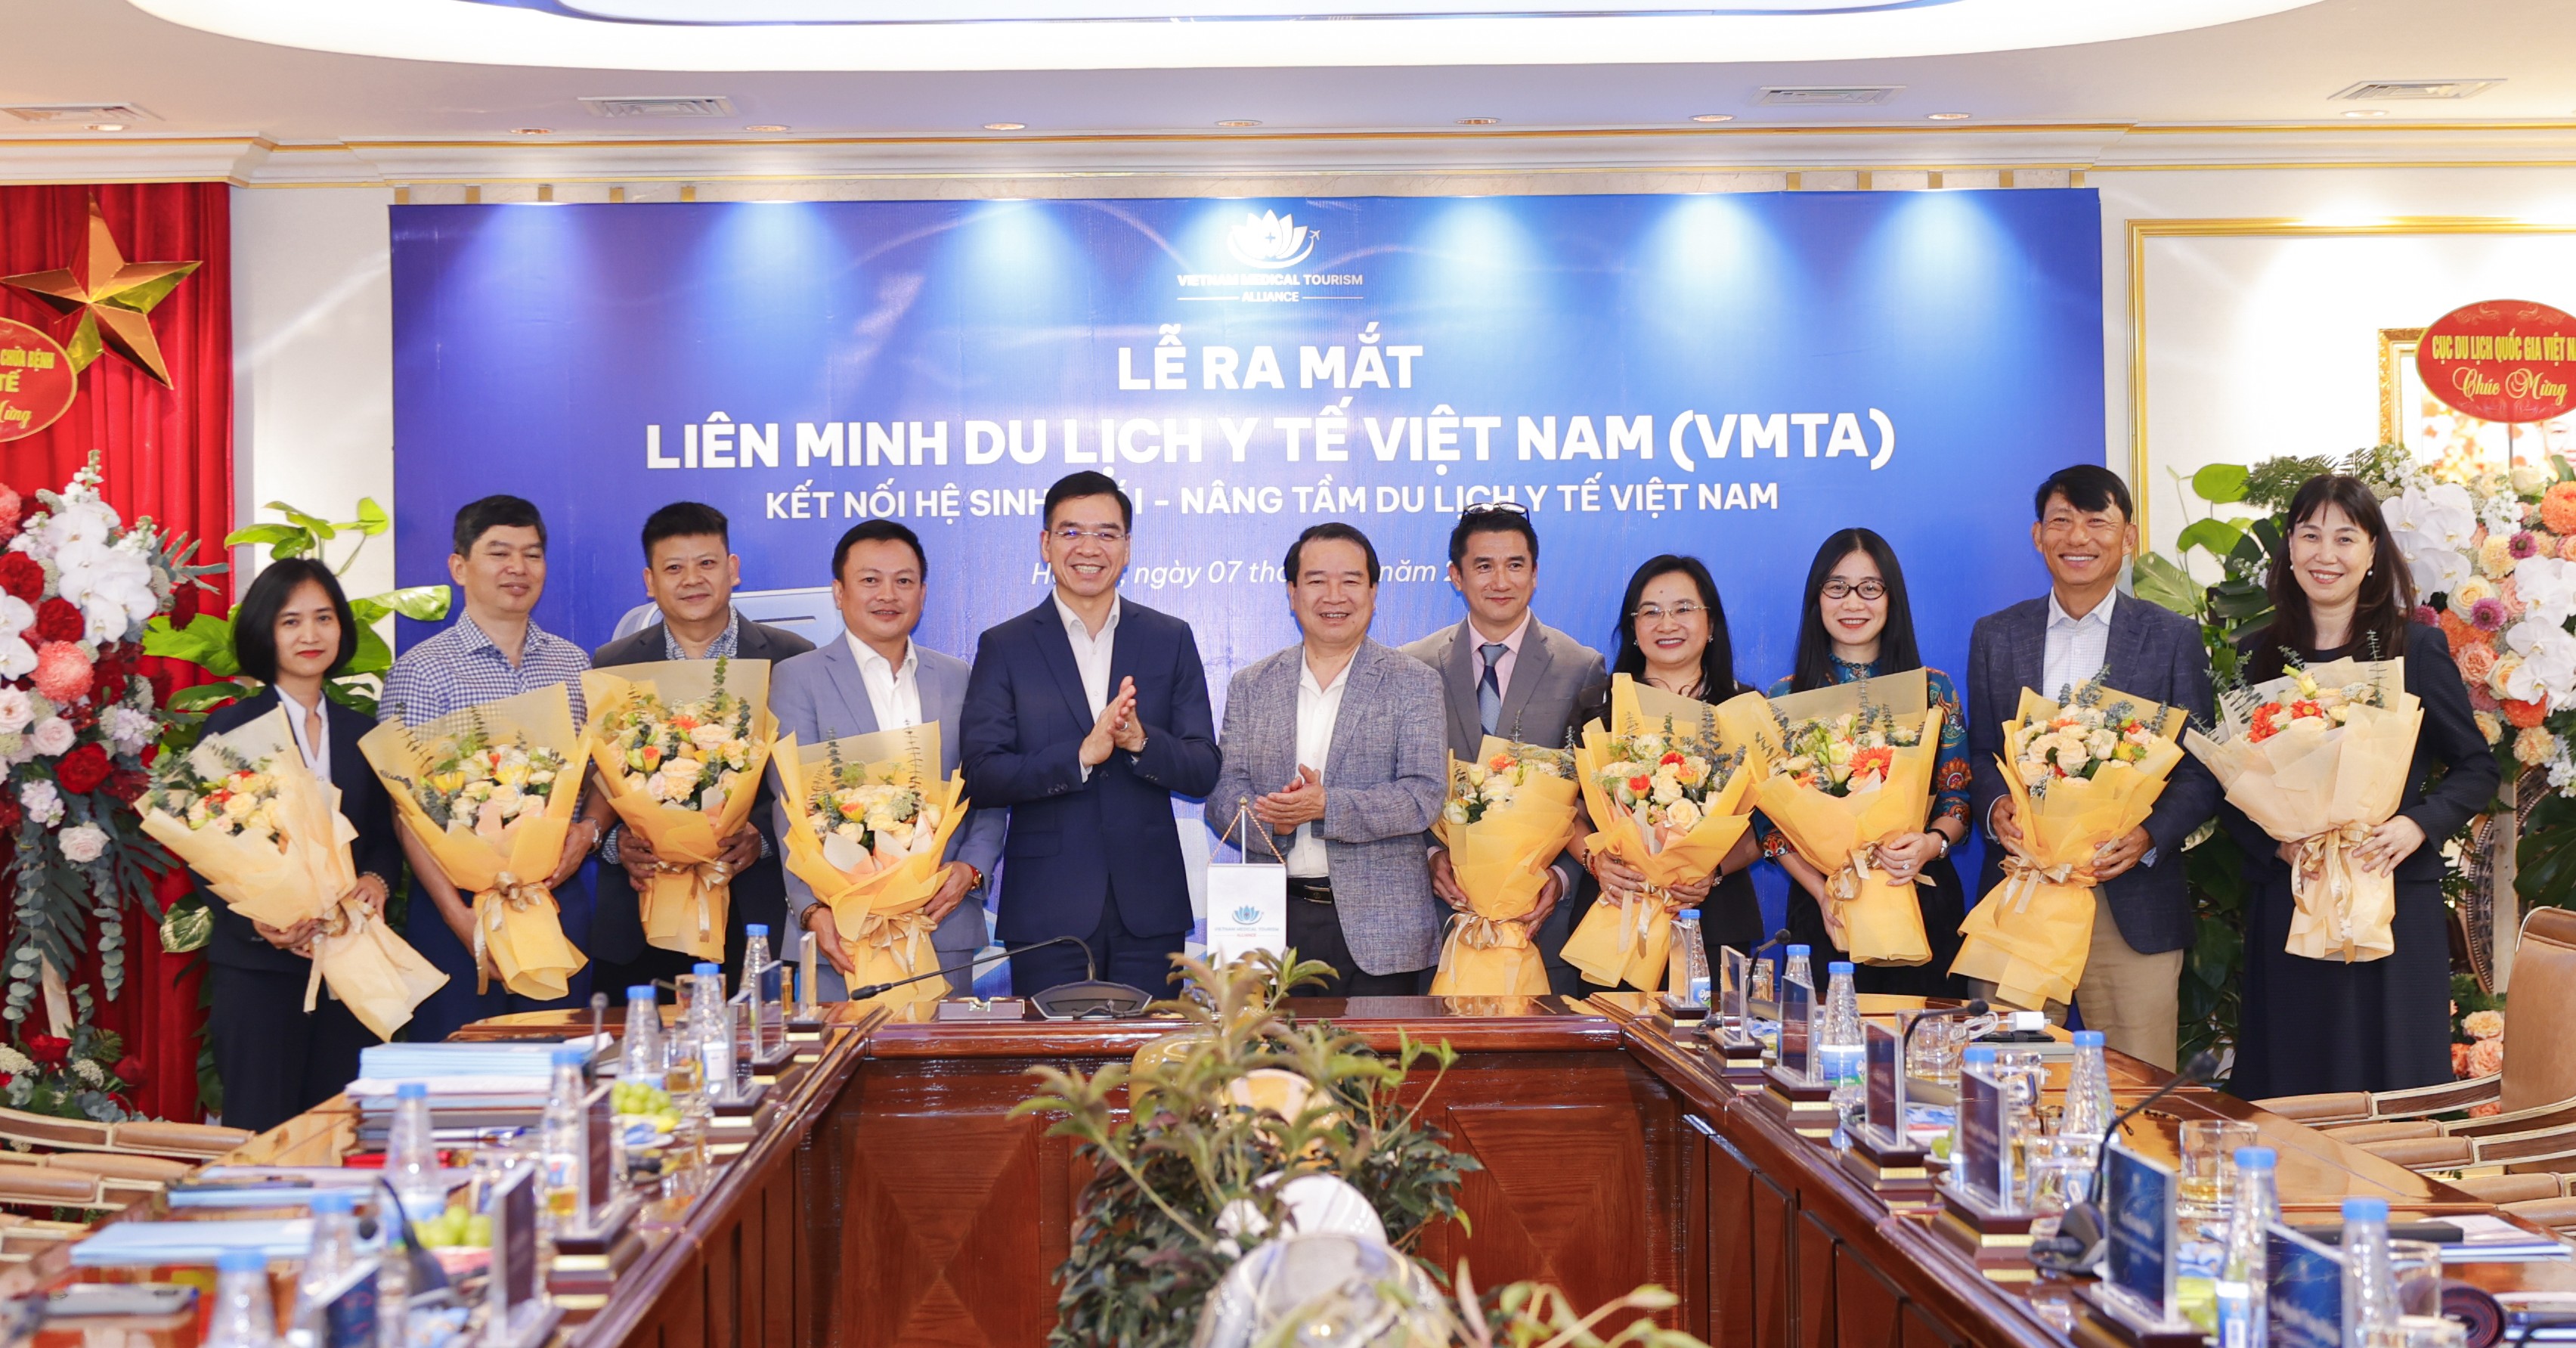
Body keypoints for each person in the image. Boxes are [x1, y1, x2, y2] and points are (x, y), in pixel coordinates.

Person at [2226, 475, 2494, 1099]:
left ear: (2373, 550)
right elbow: (2232, 785)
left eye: (2345, 538)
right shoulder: (2257, 655)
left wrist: (2417, 824)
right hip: (2294, 901)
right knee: (2294, 1079)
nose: (2326, 554)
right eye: (2310, 535)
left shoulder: (2415, 647)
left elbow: (2476, 766)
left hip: (2390, 897)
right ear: (2289, 547)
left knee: (2390, 1077)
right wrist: (2276, 846)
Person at [1965, 465, 2218, 1070]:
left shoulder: (2172, 637)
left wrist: (2148, 836)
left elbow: (2202, 770)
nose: (2078, 537)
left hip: (2129, 897)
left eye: (2097, 521)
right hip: (2024, 888)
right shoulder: (1997, 635)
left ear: (2128, 537)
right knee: (2008, 1079)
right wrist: (1997, 808)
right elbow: (1981, 751)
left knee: (2136, 1088)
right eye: (2061, 521)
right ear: (2038, 536)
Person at [961, 472, 1221, 996]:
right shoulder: (1005, 645)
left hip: (1150, 909)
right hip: (1046, 913)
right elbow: (983, 774)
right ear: (1046, 544)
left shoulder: (1169, 638)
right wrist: (1080, 756)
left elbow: (1202, 768)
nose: (1089, 548)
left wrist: (1141, 743)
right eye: (1071, 532)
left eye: (1106, 533)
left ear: (1126, 547)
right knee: (1053, 1054)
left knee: (1154, 1051)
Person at [379, 494, 605, 1041]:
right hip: (457, 905)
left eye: (532, 554)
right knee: (465, 1072)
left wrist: (589, 832)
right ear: (459, 567)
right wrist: (460, 920)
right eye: (499, 553)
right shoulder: (420, 671)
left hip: (557, 899)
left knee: (560, 1060)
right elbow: (406, 813)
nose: (517, 568)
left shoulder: (574, 664)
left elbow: (604, 775)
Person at [196, 560, 400, 1132]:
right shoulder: (230, 730)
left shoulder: (361, 732)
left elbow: (385, 838)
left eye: (323, 618)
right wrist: (258, 922)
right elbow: (202, 850)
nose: (310, 634)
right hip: (259, 972)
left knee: (341, 1129)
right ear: (266, 631)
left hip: (350, 965)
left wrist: (377, 880)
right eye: (291, 621)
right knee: (262, 1134)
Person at [1206, 523, 1446, 995]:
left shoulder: (1414, 682)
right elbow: (1224, 794)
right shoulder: (1252, 684)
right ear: (1292, 593)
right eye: (1316, 581)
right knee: (1271, 1047)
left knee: (1380, 1049)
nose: (1334, 596)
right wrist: (1271, 817)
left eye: (1351, 581)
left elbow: (1423, 795)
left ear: (1373, 592)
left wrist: (1326, 807)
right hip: (1270, 924)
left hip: (1381, 931)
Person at [589, 502, 814, 997]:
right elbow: (595, 779)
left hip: (753, 913)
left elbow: (808, 783)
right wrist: (616, 843)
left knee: (757, 1044)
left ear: (732, 569)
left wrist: (762, 838)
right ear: (650, 581)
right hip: (641, 912)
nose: (692, 579)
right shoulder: (612, 664)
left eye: (707, 563)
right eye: (674, 568)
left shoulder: (792, 659)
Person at [773, 519, 1005, 999]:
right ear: (839, 592)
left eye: (903, 581)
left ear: (922, 592)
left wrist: (972, 868)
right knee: (843, 1051)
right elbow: (789, 809)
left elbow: (987, 787)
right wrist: (811, 909)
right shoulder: (798, 678)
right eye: (869, 580)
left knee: (947, 1051)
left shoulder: (959, 677)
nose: (888, 595)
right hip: (840, 931)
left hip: (941, 922)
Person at [1400, 502, 1608, 996]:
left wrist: (1559, 877)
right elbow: (1399, 787)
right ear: (1456, 575)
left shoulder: (1580, 666)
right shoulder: (1413, 667)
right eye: (1483, 566)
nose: (1500, 581)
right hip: (1441, 922)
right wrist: (1431, 856)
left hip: (1541, 925)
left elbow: (1594, 799)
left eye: (1515, 565)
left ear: (1535, 574)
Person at [1766, 529, 1968, 997]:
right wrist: (1822, 890)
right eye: (1836, 587)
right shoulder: (1785, 698)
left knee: (1923, 1036)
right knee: (1824, 1038)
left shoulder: (1933, 689)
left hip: (1917, 891)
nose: (1853, 602)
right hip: (1826, 907)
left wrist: (1930, 844)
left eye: (1870, 587)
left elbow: (1957, 795)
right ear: (1817, 598)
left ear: (1891, 597)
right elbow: (1770, 825)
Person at [1569, 556, 1763, 978]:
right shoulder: (1598, 707)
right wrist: (1596, 861)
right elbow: (1568, 812)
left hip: (1715, 920)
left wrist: (1713, 870)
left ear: (1711, 624)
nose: (1667, 623)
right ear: (1633, 629)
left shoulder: (1745, 709)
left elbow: (1766, 826)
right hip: (1616, 918)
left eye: (1683, 609)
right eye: (1651, 612)